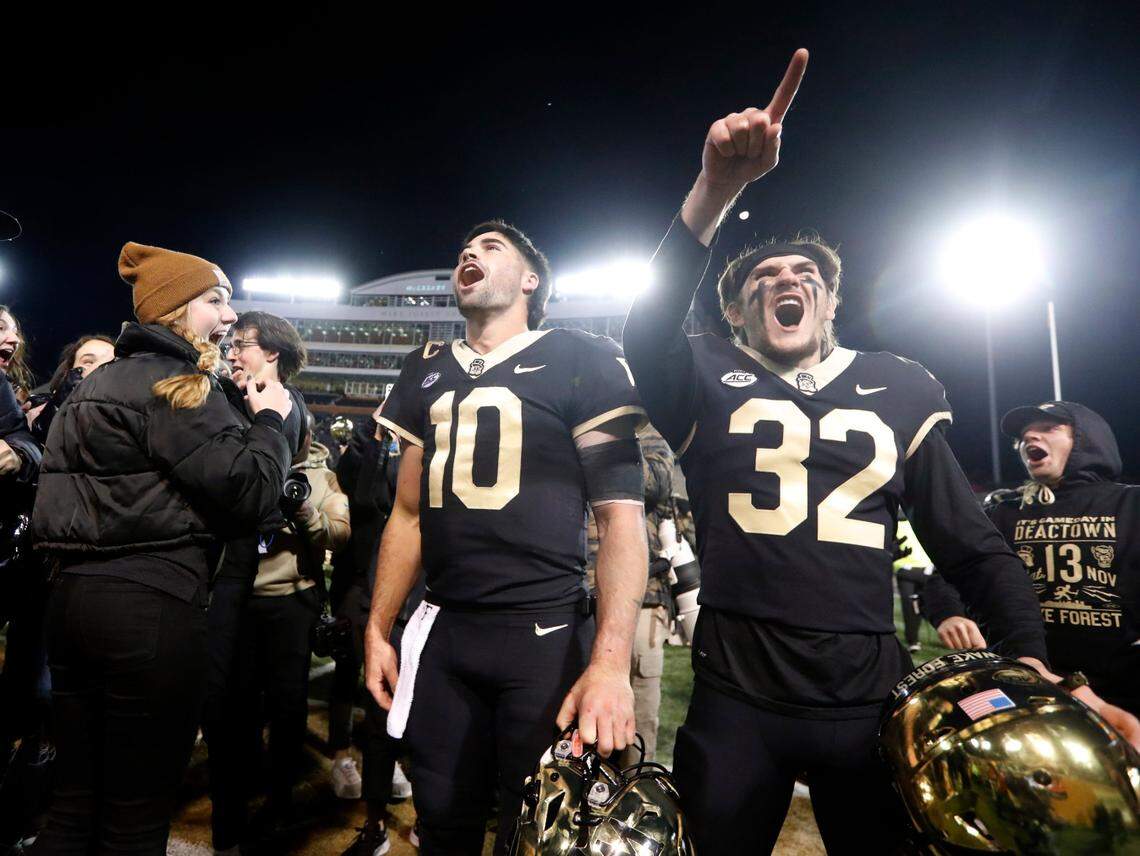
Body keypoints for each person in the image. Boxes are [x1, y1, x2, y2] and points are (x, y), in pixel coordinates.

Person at [621, 49, 1140, 853]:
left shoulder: (898, 384)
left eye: (803, 274)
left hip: (868, 698)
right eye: (760, 277)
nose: (782, 281)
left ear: (827, 303)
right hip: (737, 694)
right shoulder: (704, 373)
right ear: (733, 313)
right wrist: (716, 189)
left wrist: (1029, 659)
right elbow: (645, 329)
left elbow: (971, 544)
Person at [364, 221, 648, 854]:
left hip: (542, 635)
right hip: (444, 631)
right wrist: (378, 628)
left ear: (530, 280)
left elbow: (620, 520)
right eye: (465, 247)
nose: (470, 252)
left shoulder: (580, 358)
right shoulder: (425, 369)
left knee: (541, 834)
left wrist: (608, 662)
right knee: (440, 823)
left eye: (493, 248)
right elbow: (407, 515)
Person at [30, 241, 293, 854]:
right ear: (174, 311)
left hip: (70, 604)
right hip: (149, 607)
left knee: (72, 806)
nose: (229, 317)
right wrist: (271, 420)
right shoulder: (177, 384)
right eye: (215, 300)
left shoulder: (92, 386)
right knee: (135, 814)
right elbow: (251, 492)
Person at [923, 401, 1140, 716]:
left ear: (1086, 439)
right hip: (1025, 677)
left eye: (1049, 428)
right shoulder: (1003, 510)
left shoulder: (1132, 504)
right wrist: (949, 613)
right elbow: (951, 567)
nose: (1029, 439)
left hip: (1124, 685)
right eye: (1023, 436)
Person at [210, 420, 351, 852]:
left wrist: (303, 509)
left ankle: (280, 800)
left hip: (292, 602)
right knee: (236, 706)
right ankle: (237, 799)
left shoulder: (321, 476)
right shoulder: (246, 464)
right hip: (240, 600)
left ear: (306, 436)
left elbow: (340, 533)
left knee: (288, 706)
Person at [332, 410, 420, 856]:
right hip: (375, 594)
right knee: (379, 714)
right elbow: (365, 498)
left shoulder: (434, 453)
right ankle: (375, 823)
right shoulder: (375, 452)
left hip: (424, 599)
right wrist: (374, 432)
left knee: (428, 717)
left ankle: (427, 815)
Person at [27, 334, 116, 443]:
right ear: (68, 374)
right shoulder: (41, 406)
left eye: (112, 362)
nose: (100, 367)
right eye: (88, 362)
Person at [893, 518, 934, 653]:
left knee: (927, 605)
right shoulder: (897, 523)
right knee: (909, 606)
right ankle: (913, 641)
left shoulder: (924, 521)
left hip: (926, 570)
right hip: (906, 570)